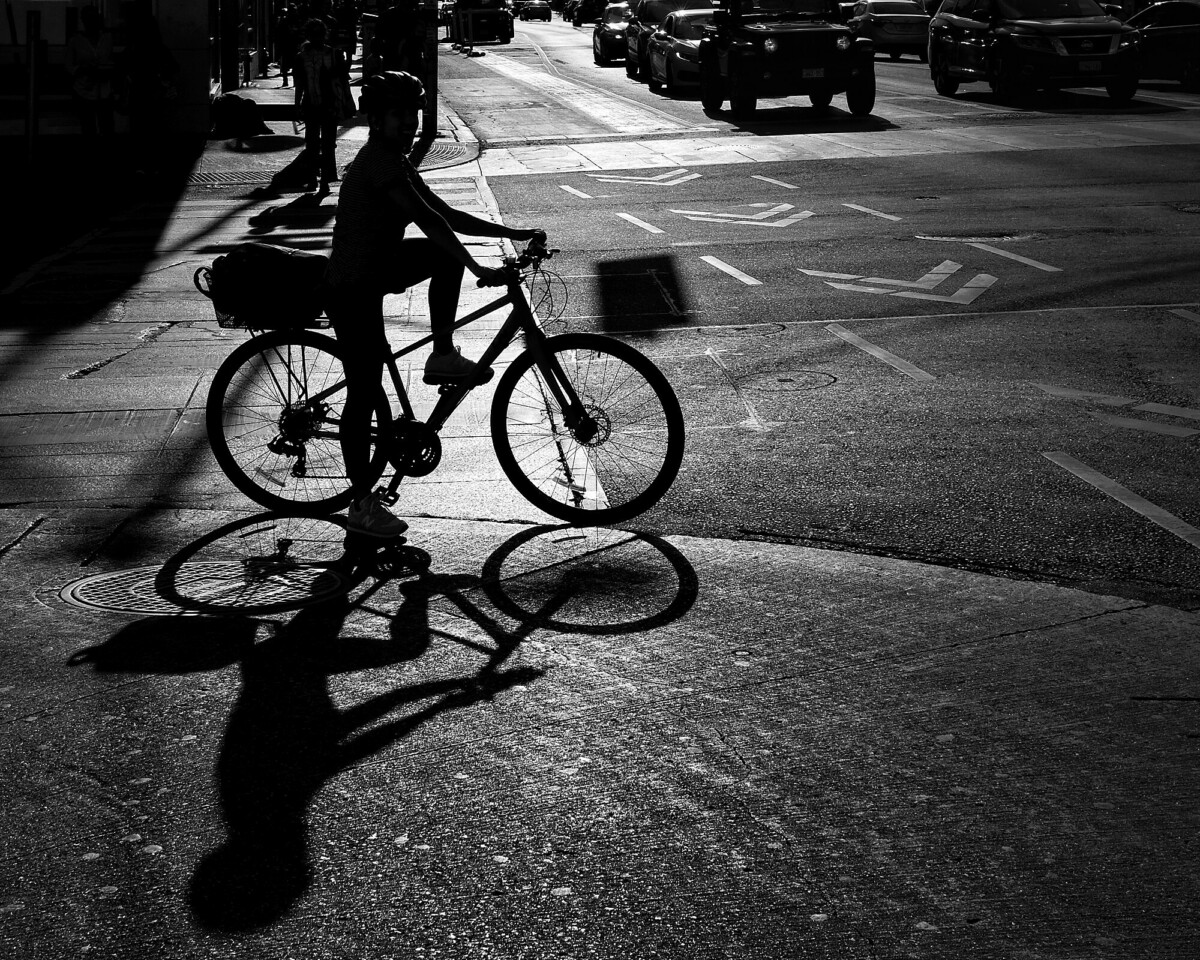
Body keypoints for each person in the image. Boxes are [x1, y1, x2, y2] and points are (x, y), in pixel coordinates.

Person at [323, 71, 545, 538]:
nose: (409, 122)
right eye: (399, 114)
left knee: (445, 260)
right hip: (353, 286)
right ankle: (361, 505)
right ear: (376, 119)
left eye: (414, 114)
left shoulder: (398, 161)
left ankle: (442, 355)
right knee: (365, 392)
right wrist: (480, 267)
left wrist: (510, 234)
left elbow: (447, 214)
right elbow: (426, 220)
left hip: (380, 268)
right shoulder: (378, 162)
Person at [293, 17, 348, 189]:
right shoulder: (303, 57)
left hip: (326, 104)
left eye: (319, 34)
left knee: (321, 142)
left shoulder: (332, 54)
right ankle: (317, 178)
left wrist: (297, 106)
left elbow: (341, 80)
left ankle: (320, 178)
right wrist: (297, 106)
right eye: (314, 34)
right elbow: (300, 84)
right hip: (317, 104)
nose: (317, 37)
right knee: (318, 142)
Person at [64, 6, 115, 139]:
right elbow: (69, 65)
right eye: (89, 18)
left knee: (106, 127)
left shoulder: (108, 38)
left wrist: (105, 69)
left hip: (102, 89)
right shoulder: (75, 40)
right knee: (89, 128)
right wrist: (82, 69)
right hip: (85, 89)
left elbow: (113, 61)